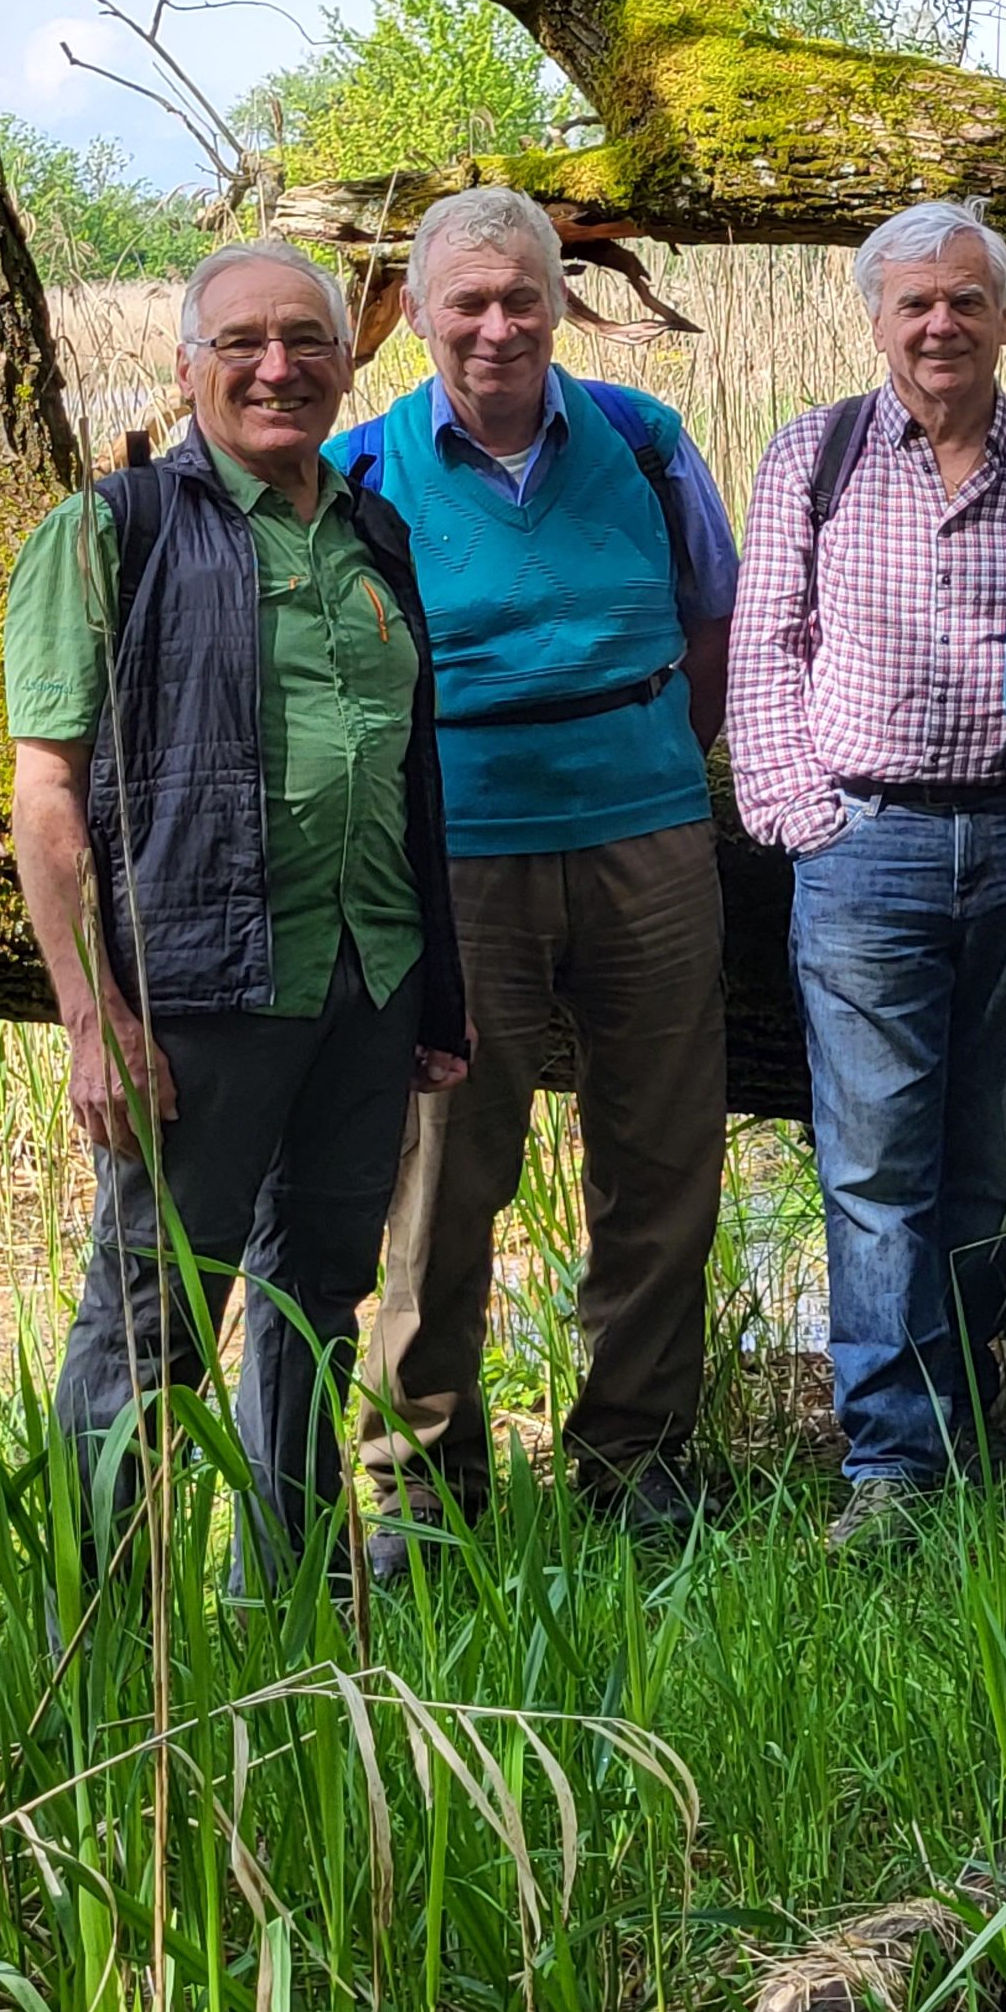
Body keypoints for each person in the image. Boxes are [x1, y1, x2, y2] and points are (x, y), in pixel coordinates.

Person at [5, 240, 470, 1580]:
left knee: (316, 1304)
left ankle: (298, 1596)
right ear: (187, 367)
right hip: (198, 995)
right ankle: (103, 1644)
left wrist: (432, 994)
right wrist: (93, 1018)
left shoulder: (373, 533)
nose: (279, 367)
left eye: (307, 341)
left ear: (346, 359)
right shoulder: (114, 531)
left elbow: (408, 773)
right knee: (153, 1325)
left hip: (363, 985)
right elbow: (49, 795)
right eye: (244, 344)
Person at [327, 190, 741, 1572]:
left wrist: (654, 766)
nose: (495, 327)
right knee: (444, 1171)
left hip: (650, 836)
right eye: (467, 302)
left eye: (522, 298)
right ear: (418, 315)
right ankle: (422, 1486)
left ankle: (639, 1457)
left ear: (564, 301)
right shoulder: (361, 470)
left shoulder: (643, 439)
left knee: (663, 1153)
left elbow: (709, 621)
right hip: (457, 856)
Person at [728, 201, 1006, 1549]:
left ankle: (970, 1422)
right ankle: (889, 1467)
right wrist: (799, 814)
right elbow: (765, 646)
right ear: (875, 321)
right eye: (914, 305)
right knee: (876, 1164)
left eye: (966, 301)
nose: (940, 324)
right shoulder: (814, 455)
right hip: (866, 846)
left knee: (989, 1159)